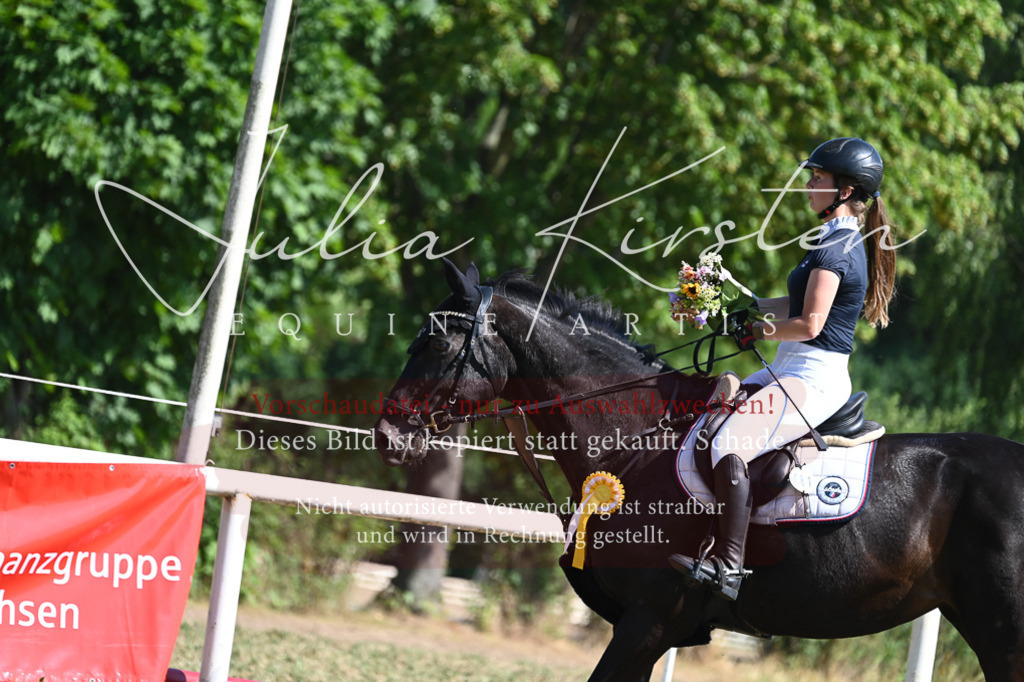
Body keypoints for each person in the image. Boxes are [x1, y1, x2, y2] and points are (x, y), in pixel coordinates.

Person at [669, 137, 899, 601]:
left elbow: (810, 324)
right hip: (789, 369)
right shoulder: (830, 239)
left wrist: (755, 330)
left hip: (813, 378)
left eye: (817, 178)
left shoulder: (837, 247)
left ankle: (728, 567)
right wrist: (735, 303)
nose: (808, 185)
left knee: (731, 440)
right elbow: (791, 304)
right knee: (705, 417)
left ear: (846, 190)